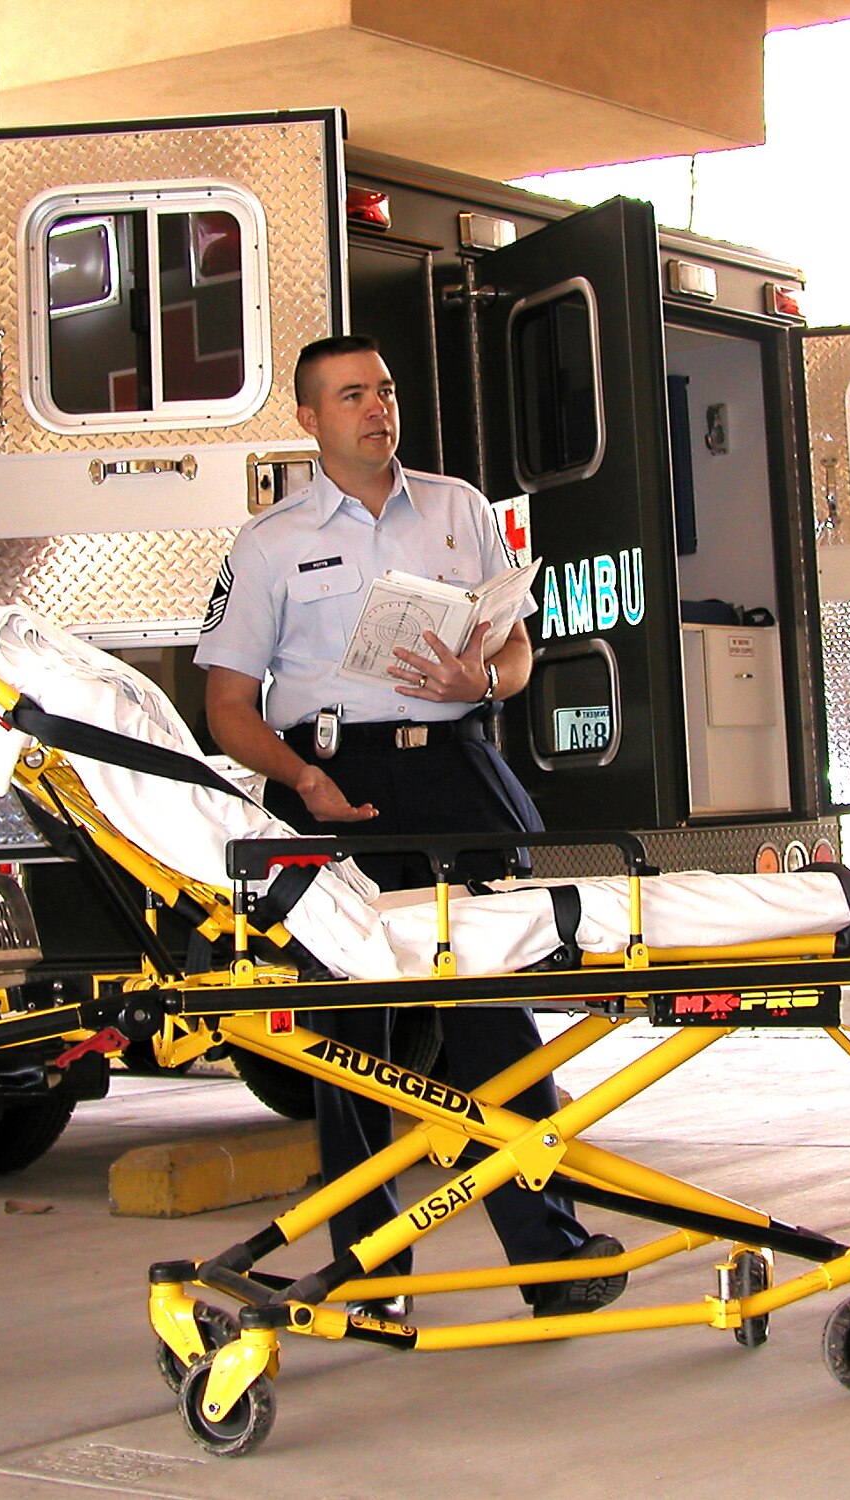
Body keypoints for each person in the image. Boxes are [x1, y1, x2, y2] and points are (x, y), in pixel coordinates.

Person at [194, 333, 624, 1320]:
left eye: (383, 390)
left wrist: (486, 678)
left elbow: (513, 649)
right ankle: (369, 1277)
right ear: (309, 419)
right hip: (335, 785)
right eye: (350, 396)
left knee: (495, 1024)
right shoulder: (268, 544)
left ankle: (547, 1256)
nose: (375, 409)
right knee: (353, 1038)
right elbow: (226, 704)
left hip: (459, 775)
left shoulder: (457, 508)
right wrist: (302, 779)